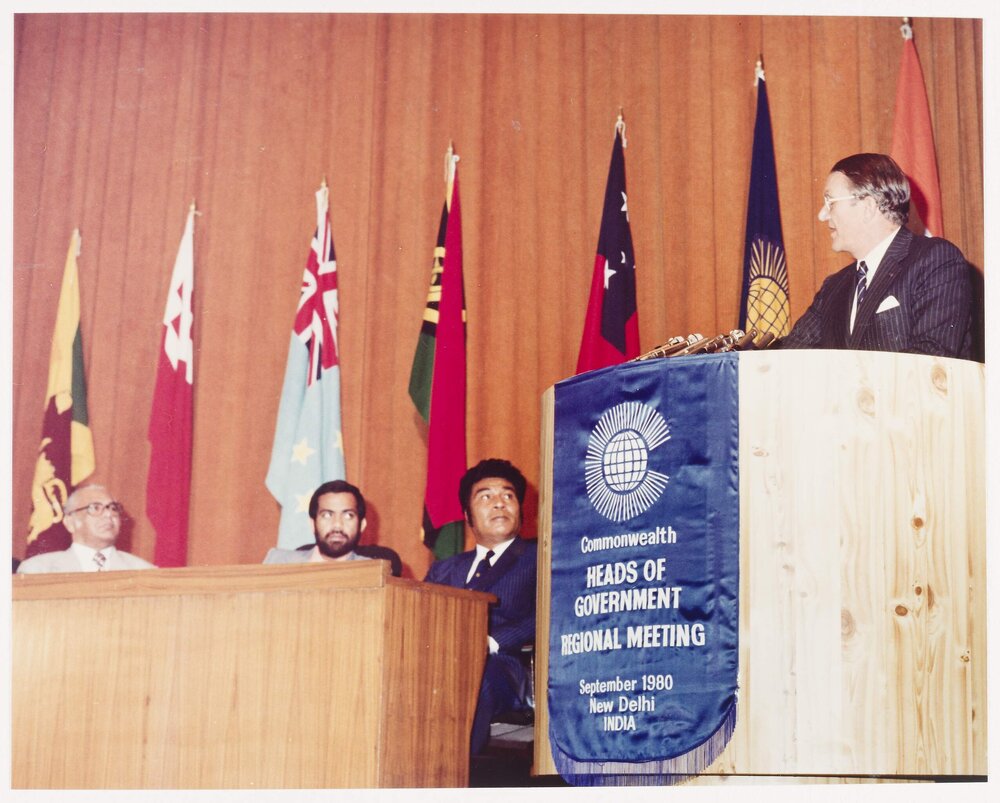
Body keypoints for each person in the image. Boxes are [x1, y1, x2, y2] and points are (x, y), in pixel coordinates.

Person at [778, 152, 972, 359]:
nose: (822, 215)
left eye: (830, 202)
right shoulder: (833, 287)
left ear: (868, 207)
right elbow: (790, 355)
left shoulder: (936, 260)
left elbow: (929, 358)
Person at [424, 458, 537, 756]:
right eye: (486, 496)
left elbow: (550, 613)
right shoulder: (444, 570)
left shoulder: (538, 556)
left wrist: (492, 642)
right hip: (439, 661)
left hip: (504, 666)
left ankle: (453, 774)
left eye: (508, 496)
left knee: (472, 677)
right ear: (468, 516)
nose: (499, 503)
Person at [16, 484, 155, 573]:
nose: (108, 514)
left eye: (113, 508)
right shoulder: (38, 570)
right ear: (70, 522)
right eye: (95, 508)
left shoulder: (144, 571)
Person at [263, 480, 372, 564]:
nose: (337, 525)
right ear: (312, 524)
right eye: (327, 515)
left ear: (362, 525)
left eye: (348, 516)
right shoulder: (278, 561)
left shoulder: (373, 571)